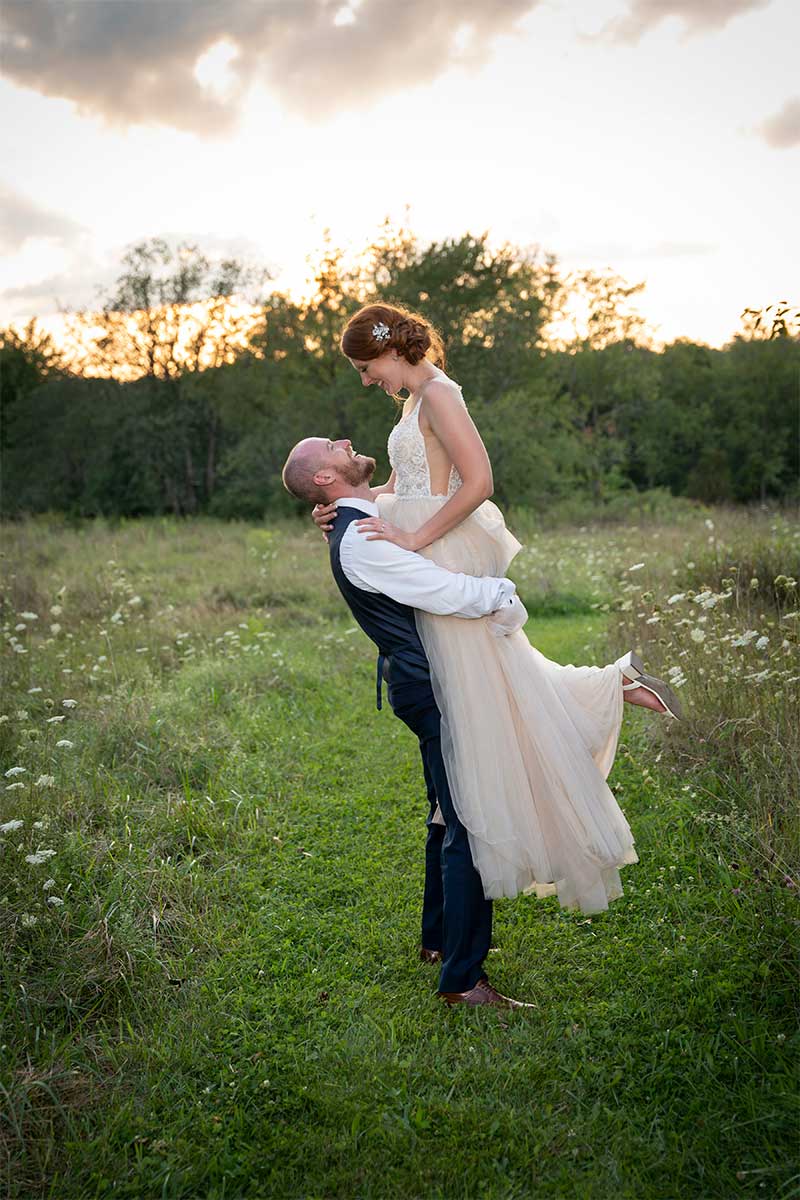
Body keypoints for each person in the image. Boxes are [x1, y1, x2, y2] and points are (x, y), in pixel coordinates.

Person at [311, 302, 684, 914]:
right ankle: (616, 683)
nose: (365, 379)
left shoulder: (439, 393)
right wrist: (352, 505)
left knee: (490, 707)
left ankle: (480, 835)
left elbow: (480, 482)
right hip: (427, 544)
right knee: (503, 689)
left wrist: (413, 538)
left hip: (442, 551)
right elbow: (409, 485)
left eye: (365, 366)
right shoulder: (413, 400)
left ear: (390, 348)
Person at [281, 434, 536, 1009]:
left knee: (447, 812)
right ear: (325, 479)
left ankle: (438, 941)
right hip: (432, 687)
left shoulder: (360, 517)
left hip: (422, 682)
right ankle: (464, 981)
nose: (345, 439)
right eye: (332, 445)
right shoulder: (363, 539)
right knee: (469, 818)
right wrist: (505, 594)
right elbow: (441, 590)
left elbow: (405, 491)